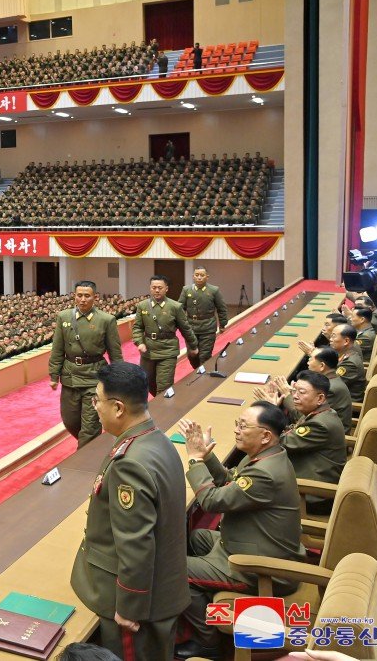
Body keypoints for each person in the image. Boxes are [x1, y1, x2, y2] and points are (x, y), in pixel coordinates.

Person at [70, 362, 188, 660]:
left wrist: (129, 606)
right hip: (164, 583)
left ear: (118, 408)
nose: (95, 407)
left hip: (136, 605)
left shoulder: (130, 462)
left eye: (97, 400)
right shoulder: (156, 439)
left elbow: (136, 544)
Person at [176, 402, 305, 659]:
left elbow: (211, 501)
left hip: (261, 568)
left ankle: (208, 643)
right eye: (238, 423)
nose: (237, 430)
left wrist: (194, 459)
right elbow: (230, 483)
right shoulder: (265, 456)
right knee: (198, 537)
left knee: (176, 571)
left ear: (265, 435)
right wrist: (207, 457)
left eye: (243, 426)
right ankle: (205, 593)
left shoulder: (266, 472)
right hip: (250, 543)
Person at [256, 371, 346, 513]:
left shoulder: (320, 424)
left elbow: (279, 443)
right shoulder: (319, 413)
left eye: (301, 392)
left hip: (313, 495)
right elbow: (291, 431)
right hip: (309, 477)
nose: (295, 396)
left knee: (255, 490)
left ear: (320, 398)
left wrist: (270, 412)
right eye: (294, 391)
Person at [49, 280, 124, 448]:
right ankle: (91, 447)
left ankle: (85, 456)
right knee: (70, 420)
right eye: (79, 295)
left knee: (90, 427)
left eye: (87, 296)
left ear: (95, 297)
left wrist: (119, 378)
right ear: (74, 296)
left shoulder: (106, 320)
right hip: (70, 376)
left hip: (94, 377)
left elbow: (115, 352)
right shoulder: (64, 317)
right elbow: (57, 348)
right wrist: (54, 375)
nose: (83, 299)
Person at [132, 275, 199, 396]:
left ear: (166, 289)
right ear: (150, 288)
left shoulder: (175, 307)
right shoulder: (142, 306)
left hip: (168, 351)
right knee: (147, 383)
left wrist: (193, 346)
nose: (157, 290)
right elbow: (137, 327)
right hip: (148, 352)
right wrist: (139, 342)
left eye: (160, 288)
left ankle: (163, 406)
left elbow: (186, 329)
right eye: (154, 288)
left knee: (164, 387)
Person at [178, 266, 228, 365]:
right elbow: (180, 308)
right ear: (193, 276)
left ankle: (202, 372)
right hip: (191, 328)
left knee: (204, 356)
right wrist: (180, 324)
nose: (199, 277)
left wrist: (222, 324)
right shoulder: (186, 289)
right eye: (197, 275)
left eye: (202, 275)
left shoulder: (214, 290)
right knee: (192, 355)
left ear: (207, 277)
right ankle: (198, 370)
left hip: (208, 328)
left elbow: (221, 308)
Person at [304, 347, 353, 432]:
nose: (308, 362)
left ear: (322, 366)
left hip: (327, 432)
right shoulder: (330, 379)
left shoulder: (329, 389)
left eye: (311, 359)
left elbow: (308, 415)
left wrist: (288, 395)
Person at [329, 324, 366, 402]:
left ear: (346, 341)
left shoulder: (350, 364)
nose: (330, 339)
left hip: (343, 403)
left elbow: (330, 385)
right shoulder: (347, 353)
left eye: (333, 336)